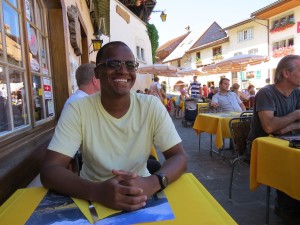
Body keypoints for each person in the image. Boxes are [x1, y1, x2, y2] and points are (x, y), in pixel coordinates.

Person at [40, 41, 187, 212]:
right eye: (113, 64)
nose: (123, 70)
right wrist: (98, 191)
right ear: (97, 73)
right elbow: (50, 170)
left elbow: (179, 157)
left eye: (130, 64)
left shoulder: (151, 106)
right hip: (92, 197)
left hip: (142, 193)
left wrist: (152, 183)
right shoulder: (78, 110)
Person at [246, 55, 300, 223]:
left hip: (289, 141)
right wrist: (297, 114)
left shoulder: (297, 92)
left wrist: (287, 127)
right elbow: (269, 127)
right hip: (261, 148)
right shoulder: (266, 93)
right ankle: (286, 209)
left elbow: (279, 126)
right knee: (292, 165)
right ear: (286, 73)